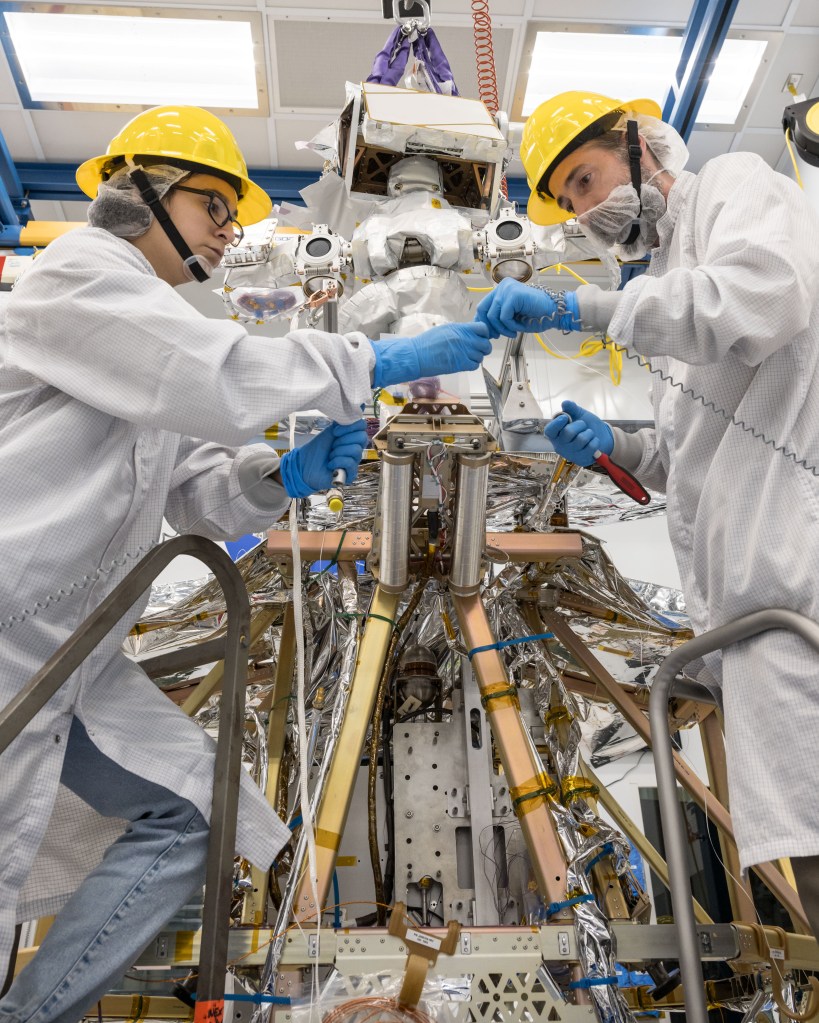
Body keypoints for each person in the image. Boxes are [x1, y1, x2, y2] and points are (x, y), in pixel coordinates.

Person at [0, 105, 495, 1019]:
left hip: (69, 649)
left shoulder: (148, 334)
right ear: (132, 190)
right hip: (13, 624)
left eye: (234, 216)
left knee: (196, 811)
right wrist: (374, 355)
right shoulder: (77, 276)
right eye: (214, 208)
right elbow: (223, 377)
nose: (229, 234)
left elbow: (195, 489)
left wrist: (282, 475)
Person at [477, 91, 819, 933]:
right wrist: (618, 449)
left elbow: (761, 296)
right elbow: (690, 458)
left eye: (587, 181)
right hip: (750, 615)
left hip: (794, 585)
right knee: (810, 870)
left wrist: (577, 308)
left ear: (638, 142)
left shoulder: (735, 187)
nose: (589, 213)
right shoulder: (662, 284)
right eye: (569, 203)